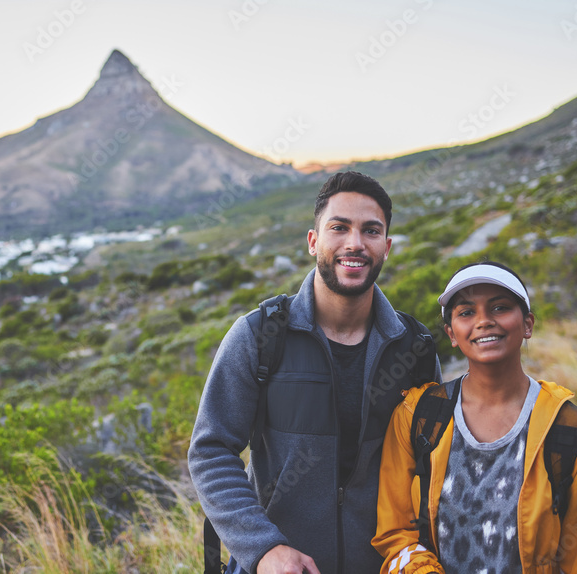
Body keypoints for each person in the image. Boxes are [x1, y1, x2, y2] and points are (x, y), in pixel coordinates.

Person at [188, 171, 442, 574]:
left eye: (371, 231)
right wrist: (264, 548)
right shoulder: (259, 336)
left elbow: (433, 471)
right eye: (339, 228)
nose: (355, 243)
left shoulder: (415, 349)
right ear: (313, 242)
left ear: (387, 247)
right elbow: (210, 449)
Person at [372, 262, 577, 573]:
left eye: (500, 307)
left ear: (527, 324)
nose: (484, 321)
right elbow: (395, 535)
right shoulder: (417, 416)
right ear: (451, 333)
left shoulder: (575, 434)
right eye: (466, 312)